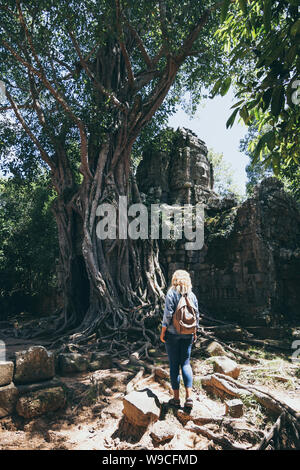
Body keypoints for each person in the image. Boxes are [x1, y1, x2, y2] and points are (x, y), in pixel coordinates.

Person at [160, 269, 199, 410]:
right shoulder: (192, 295)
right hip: (188, 333)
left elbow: (168, 315)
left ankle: (176, 399)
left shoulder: (171, 293)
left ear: (174, 280)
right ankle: (189, 398)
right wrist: (195, 332)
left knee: (174, 365)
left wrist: (163, 331)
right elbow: (197, 315)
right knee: (186, 364)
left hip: (172, 334)